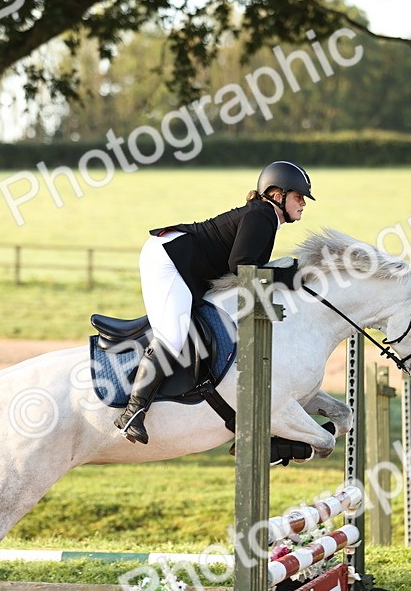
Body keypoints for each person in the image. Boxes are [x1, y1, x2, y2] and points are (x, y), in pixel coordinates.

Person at [114, 161, 314, 444]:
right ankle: (132, 413)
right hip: (170, 260)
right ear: (277, 194)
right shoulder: (262, 215)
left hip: (187, 267)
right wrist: (288, 275)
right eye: (299, 196)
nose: (304, 203)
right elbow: (241, 266)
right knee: (172, 336)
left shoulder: (265, 216)